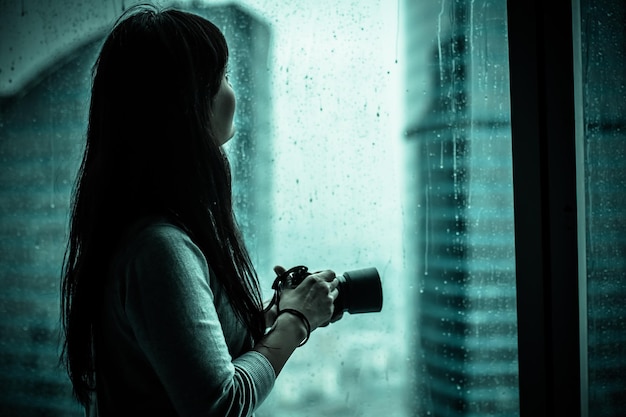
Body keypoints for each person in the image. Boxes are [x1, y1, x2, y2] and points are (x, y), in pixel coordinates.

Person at [59, 5, 339, 416]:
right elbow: (219, 403)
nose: (232, 91)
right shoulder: (159, 247)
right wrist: (295, 321)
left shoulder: (154, 234)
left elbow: (189, 360)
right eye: (223, 77)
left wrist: (273, 317)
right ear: (188, 101)